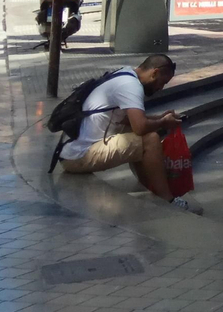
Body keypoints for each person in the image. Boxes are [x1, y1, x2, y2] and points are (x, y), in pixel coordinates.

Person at [58, 54, 201, 213]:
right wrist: (163, 122)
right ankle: (167, 199)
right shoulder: (131, 86)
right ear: (154, 73)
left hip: (71, 151)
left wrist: (160, 118)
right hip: (78, 156)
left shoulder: (124, 74)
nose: (161, 88)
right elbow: (140, 127)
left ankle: (150, 184)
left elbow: (128, 120)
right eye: (162, 82)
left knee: (141, 133)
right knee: (150, 139)